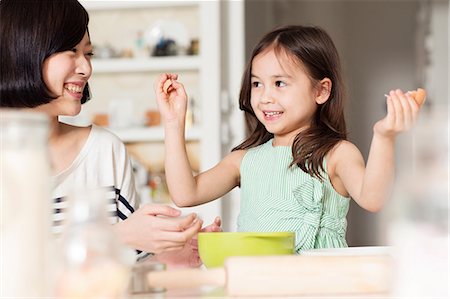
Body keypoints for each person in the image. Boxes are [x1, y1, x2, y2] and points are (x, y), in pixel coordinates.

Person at [155, 25, 424, 252]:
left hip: (320, 288)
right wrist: (172, 122)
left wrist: (384, 137)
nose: (265, 96)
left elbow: (373, 198)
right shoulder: (244, 161)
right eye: (257, 83)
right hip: (257, 287)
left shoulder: (337, 154)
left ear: (321, 90)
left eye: (280, 83)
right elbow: (184, 193)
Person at [0, 0, 220, 267]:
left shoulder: (105, 150)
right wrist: (119, 235)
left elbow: (126, 267)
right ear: (21, 51)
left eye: (88, 54)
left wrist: (173, 256)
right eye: (71, 50)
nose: (86, 69)